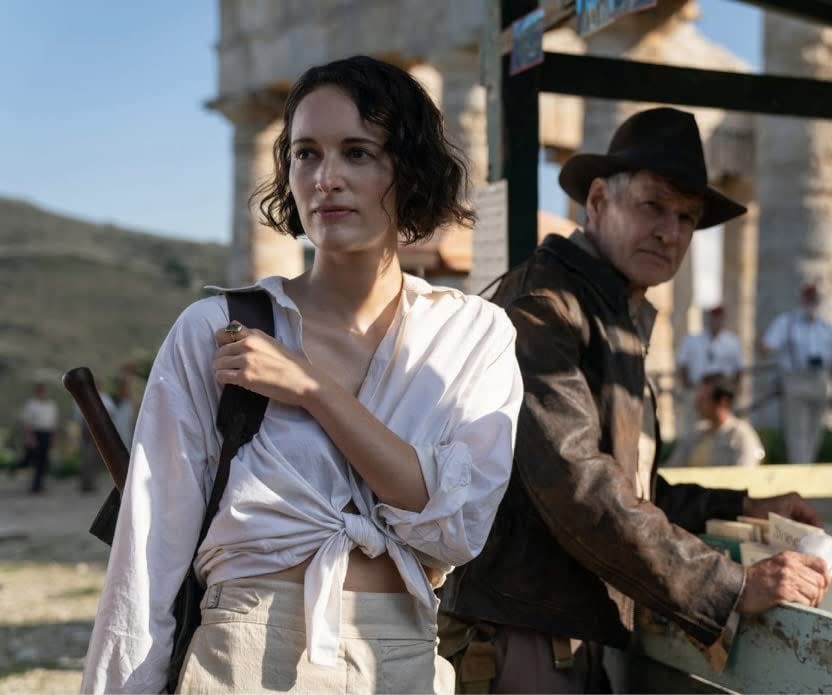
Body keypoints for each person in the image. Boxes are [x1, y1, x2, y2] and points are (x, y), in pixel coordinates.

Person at [81, 56, 522, 694]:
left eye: (359, 152)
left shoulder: (472, 334)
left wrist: (310, 389)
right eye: (306, 154)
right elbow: (150, 546)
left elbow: (455, 526)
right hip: (242, 655)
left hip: (398, 658)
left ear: (410, 169)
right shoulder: (217, 329)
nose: (326, 178)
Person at [438, 107, 830, 693]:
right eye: (653, 206)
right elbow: (579, 485)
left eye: (686, 217)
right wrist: (729, 586)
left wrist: (744, 503)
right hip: (521, 634)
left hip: (566, 632)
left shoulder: (611, 313)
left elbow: (632, 487)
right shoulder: (544, 307)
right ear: (597, 201)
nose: (670, 231)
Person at [762, 283, 832, 464]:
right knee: (797, 431)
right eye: (809, 298)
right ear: (802, 300)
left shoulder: (825, 327)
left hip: (819, 380)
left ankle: (809, 466)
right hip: (795, 379)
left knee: (815, 431)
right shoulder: (787, 322)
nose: (812, 302)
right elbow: (766, 346)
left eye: (815, 299)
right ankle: (799, 469)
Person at [665, 373, 765, 468]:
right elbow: (673, 468)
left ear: (723, 401)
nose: (697, 405)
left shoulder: (740, 435)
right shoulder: (696, 434)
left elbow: (745, 473)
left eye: (703, 400)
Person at [676, 305, 742, 435]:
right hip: (698, 388)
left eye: (719, 319)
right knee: (695, 427)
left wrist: (733, 389)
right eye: (714, 318)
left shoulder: (732, 341)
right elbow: (682, 364)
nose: (716, 322)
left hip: (721, 392)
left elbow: (738, 369)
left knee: (722, 427)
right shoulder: (692, 340)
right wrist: (687, 386)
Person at [17, 382, 59, 494]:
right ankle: (35, 485)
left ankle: (39, 484)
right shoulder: (31, 404)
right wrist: (30, 437)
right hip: (36, 433)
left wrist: (53, 438)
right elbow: (27, 423)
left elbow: (53, 423)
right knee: (34, 460)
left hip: (47, 434)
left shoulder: (51, 405)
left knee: (44, 461)